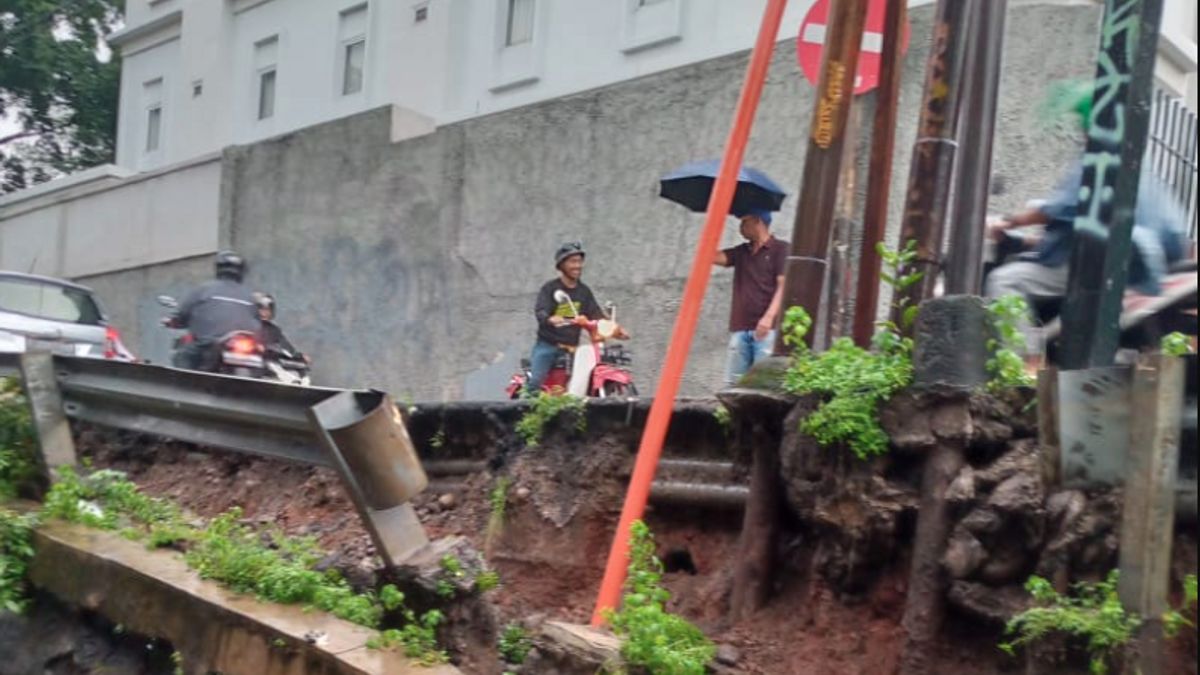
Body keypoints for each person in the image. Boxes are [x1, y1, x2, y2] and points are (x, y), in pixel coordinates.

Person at [985, 83, 1187, 353]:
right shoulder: (1141, 166)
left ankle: (1023, 365)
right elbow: (1076, 231)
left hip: (1096, 266)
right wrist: (1025, 242)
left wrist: (1008, 221)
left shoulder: (1099, 158)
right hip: (1137, 269)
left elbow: (1058, 208)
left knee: (1004, 281)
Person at [526, 242, 616, 396]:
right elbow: (541, 311)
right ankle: (528, 415)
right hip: (548, 346)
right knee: (535, 383)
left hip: (573, 348)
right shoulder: (550, 288)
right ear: (561, 265)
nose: (578, 266)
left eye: (580, 262)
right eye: (573, 262)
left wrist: (607, 323)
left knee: (586, 382)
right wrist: (550, 318)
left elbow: (595, 313)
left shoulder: (584, 292)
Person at [713, 209, 789, 385]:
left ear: (759, 222)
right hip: (741, 328)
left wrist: (768, 318)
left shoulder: (781, 249)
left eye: (745, 222)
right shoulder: (742, 252)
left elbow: (783, 287)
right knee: (732, 384)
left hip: (767, 330)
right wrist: (712, 230)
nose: (740, 228)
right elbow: (713, 257)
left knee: (764, 385)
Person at [165, 250, 261, 371]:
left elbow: (183, 314)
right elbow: (258, 320)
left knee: (182, 355)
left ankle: (184, 388)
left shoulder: (203, 290)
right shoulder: (249, 295)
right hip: (248, 347)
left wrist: (173, 320)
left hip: (209, 344)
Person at [253, 292, 309, 363]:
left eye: (267, 309)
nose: (264, 313)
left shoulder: (274, 330)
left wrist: (299, 356)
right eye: (261, 309)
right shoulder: (246, 326)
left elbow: (286, 348)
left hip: (268, 366)